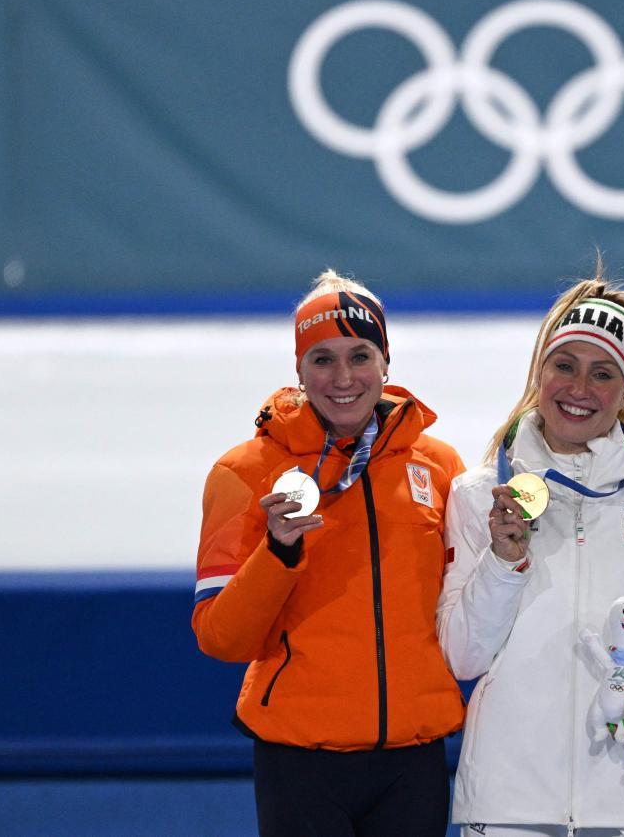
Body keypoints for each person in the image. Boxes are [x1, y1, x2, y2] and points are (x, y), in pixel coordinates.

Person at [192, 270, 466, 837]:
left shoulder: (439, 468)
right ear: (299, 369)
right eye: (322, 359)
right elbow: (221, 639)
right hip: (300, 764)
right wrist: (277, 551)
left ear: (386, 362)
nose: (343, 378)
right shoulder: (244, 474)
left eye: (360, 356)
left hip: (413, 761)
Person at [437, 272, 624, 836]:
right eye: (565, 365)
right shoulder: (478, 495)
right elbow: (463, 658)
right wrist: (503, 564)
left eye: (603, 373)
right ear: (539, 373)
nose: (579, 388)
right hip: (508, 807)